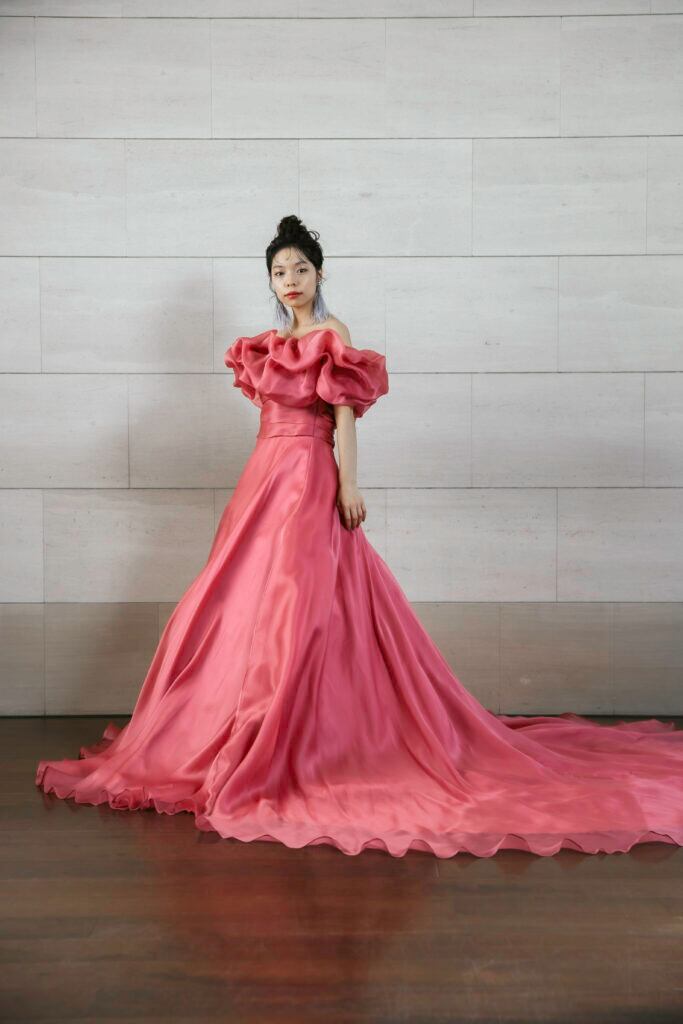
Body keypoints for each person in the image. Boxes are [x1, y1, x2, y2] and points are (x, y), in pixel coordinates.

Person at [35, 215, 683, 858]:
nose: (290, 280)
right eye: (279, 272)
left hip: (307, 475)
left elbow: (343, 418)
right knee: (241, 599)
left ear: (320, 274)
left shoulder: (331, 335)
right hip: (261, 478)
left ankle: (295, 732)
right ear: (270, 281)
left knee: (298, 598)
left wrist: (348, 483)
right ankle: (239, 721)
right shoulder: (267, 344)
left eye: (301, 268)